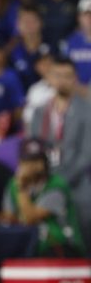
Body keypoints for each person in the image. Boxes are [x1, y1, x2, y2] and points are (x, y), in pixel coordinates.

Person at [28, 56, 91, 249]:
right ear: (49, 78)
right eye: (58, 75)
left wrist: (58, 182)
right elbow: (33, 149)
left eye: (68, 76)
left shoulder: (87, 111)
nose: (62, 80)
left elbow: (86, 155)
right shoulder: (39, 112)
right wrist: (45, 182)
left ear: (75, 79)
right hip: (44, 184)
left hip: (77, 186)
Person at [2, 139, 85, 257]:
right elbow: (9, 217)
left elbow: (30, 217)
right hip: (29, 243)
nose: (32, 166)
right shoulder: (12, 184)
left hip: (62, 247)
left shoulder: (56, 185)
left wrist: (21, 187)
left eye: (37, 161)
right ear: (20, 163)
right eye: (27, 161)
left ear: (45, 163)